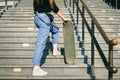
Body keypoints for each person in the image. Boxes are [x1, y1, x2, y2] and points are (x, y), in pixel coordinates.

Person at [32, 0, 67, 76]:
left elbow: (37, 10)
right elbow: (55, 9)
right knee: (41, 43)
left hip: (38, 18)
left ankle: (55, 50)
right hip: (44, 20)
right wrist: (63, 18)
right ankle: (36, 68)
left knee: (55, 29)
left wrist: (51, 22)